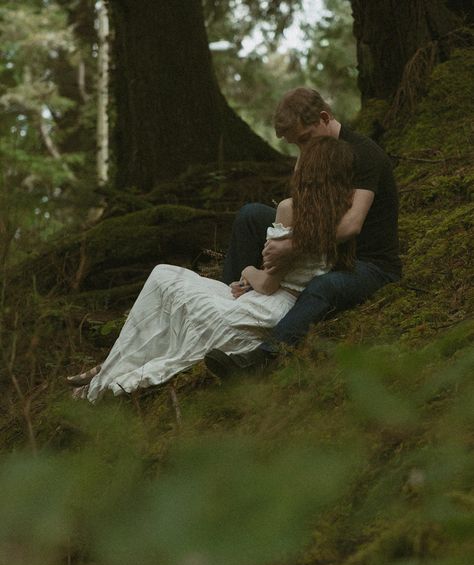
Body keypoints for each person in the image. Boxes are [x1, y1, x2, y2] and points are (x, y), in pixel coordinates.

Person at [67, 136, 355, 401]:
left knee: (164, 277)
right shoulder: (342, 212)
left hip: (265, 307)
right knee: (182, 288)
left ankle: (107, 377)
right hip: (285, 310)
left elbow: (267, 283)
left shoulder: (291, 208)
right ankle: (111, 365)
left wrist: (246, 272)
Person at [204, 87, 401, 378]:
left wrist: (294, 246)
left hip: (367, 262)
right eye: (297, 144)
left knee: (324, 286)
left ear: (324, 118)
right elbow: (303, 212)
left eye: (305, 139)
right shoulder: (313, 151)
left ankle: (262, 360)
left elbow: (351, 224)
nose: (303, 150)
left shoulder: (365, 155)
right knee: (250, 216)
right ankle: (229, 304)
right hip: (325, 248)